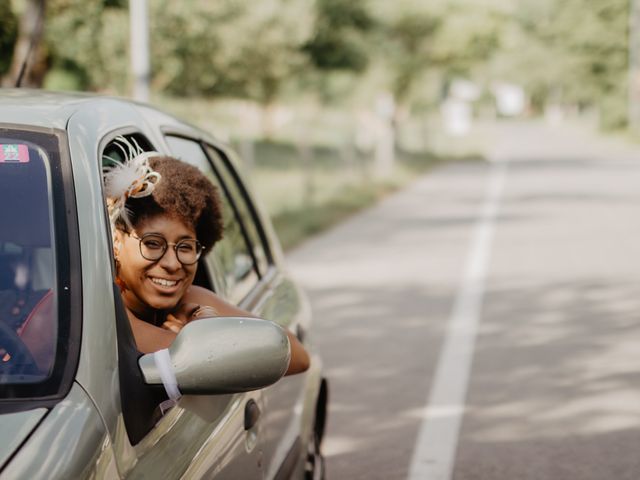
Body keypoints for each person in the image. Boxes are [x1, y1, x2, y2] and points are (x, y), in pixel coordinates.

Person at [103, 146, 309, 376]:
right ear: (115, 241)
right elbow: (201, 356)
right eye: (152, 244)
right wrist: (207, 332)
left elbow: (297, 355)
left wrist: (203, 323)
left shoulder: (191, 301)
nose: (172, 264)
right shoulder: (104, 308)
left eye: (185, 247)